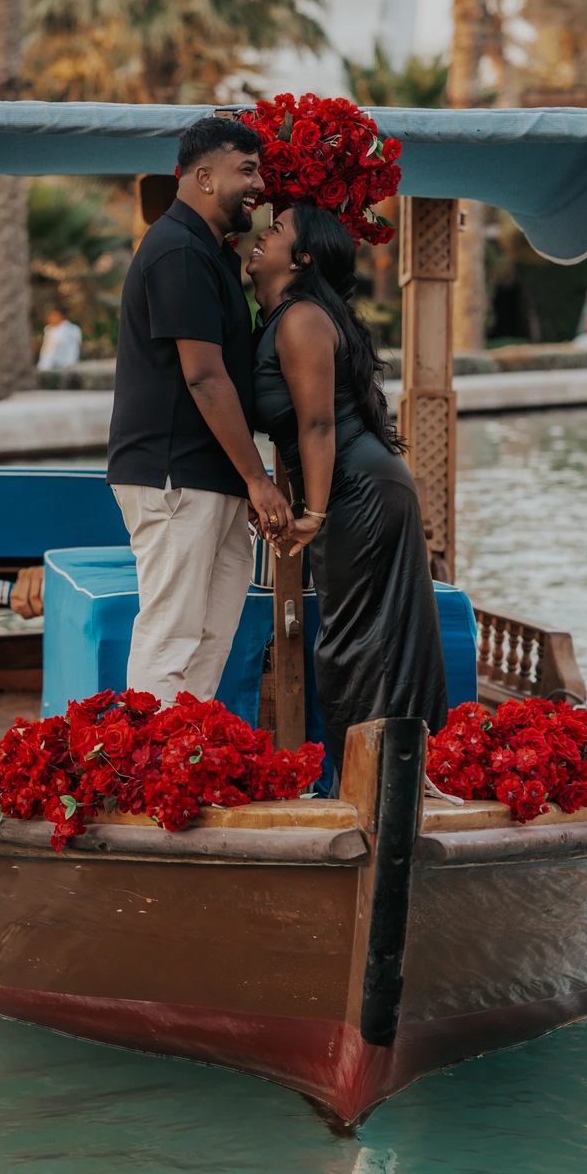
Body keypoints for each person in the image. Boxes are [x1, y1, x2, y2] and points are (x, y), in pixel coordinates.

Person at [247, 199, 448, 775]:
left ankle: (379, 786)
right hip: (359, 485)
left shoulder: (302, 319)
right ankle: (386, 779)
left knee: (356, 646)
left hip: (358, 491)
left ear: (302, 257)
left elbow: (316, 423)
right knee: (363, 643)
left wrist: (313, 513)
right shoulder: (283, 316)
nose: (262, 236)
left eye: (277, 229)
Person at [108, 117, 294, 702]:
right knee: (171, 640)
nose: (259, 183)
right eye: (247, 170)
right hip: (173, 477)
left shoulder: (209, 252)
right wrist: (258, 480)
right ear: (204, 176)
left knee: (210, 640)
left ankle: (184, 773)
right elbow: (205, 376)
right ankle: (146, 786)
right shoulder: (177, 250)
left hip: (207, 479)